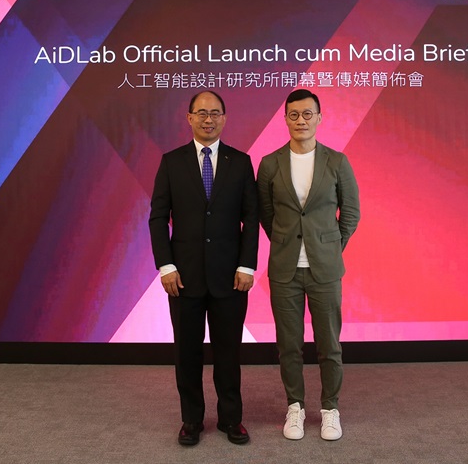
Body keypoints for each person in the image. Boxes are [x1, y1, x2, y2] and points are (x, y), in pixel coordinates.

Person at [148, 90, 258, 446]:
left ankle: (231, 419)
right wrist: (166, 266)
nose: (208, 119)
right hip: (183, 276)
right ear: (189, 118)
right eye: (201, 113)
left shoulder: (240, 162)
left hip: (231, 277)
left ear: (224, 118)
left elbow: (251, 219)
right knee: (187, 352)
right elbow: (157, 219)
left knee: (229, 353)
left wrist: (247, 266)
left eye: (215, 113)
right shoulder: (171, 161)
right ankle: (191, 420)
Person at [257, 89, 360, 441]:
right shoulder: (270, 164)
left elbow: (350, 214)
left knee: (329, 345)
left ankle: (330, 408)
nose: (301, 120)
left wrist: (329, 246)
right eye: (294, 115)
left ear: (319, 117)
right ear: (285, 119)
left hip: (325, 270)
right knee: (289, 344)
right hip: (285, 270)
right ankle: (295, 407)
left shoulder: (337, 162)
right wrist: (288, 244)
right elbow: (266, 214)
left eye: (307, 114)